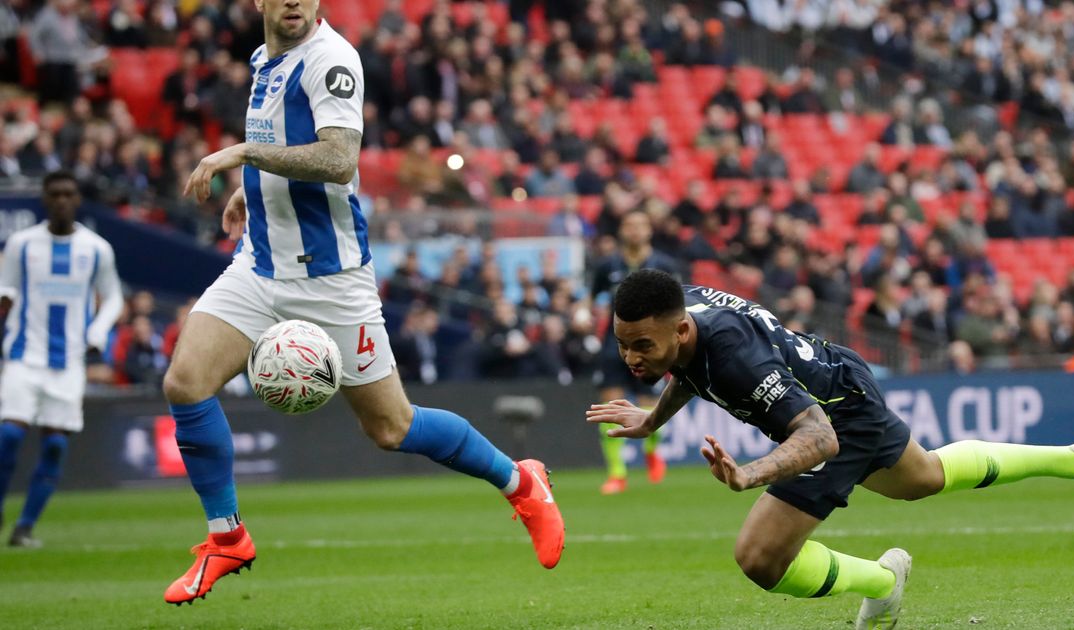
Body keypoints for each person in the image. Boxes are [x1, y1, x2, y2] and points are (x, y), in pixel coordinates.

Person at [163, 0, 563, 605]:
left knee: (391, 426)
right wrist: (254, 194)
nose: (295, 1)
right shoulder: (264, 59)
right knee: (185, 382)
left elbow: (337, 158)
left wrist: (241, 155)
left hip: (332, 278)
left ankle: (521, 482)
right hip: (259, 262)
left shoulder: (333, 60)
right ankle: (227, 538)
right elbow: (281, 142)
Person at [587, 270, 1074, 629]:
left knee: (759, 558)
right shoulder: (680, 310)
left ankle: (881, 582)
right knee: (923, 477)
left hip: (834, 416)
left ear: (681, 330)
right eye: (623, 343)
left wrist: (750, 475)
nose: (631, 357)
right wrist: (653, 420)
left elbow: (819, 437)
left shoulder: (733, 358)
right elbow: (686, 368)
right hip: (838, 374)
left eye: (643, 346)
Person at [0, 171, 123, 547]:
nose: (62, 201)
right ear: (44, 198)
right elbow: (6, 285)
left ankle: (24, 527)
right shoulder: (21, 244)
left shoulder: (96, 249)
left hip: (69, 362)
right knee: (7, 436)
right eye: (54, 194)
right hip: (24, 356)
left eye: (68, 194)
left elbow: (114, 297)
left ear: (78, 200)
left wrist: (97, 333)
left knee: (55, 445)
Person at [589, 211, 678, 494]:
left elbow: (678, 303)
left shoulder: (664, 264)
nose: (635, 230)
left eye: (641, 224)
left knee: (651, 406)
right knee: (610, 404)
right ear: (621, 231)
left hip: (652, 346)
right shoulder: (607, 265)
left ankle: (652, 452)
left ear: (649, 230)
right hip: (612, 344)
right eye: (629, 225)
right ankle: (617, 473)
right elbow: (593, 299)